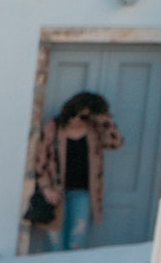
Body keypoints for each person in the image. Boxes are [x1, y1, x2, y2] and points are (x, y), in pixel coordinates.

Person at [28, 90, 124, 251]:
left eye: (84, 116)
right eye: (73, 113)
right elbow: (40, 159)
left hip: (83, 191)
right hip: (56, 191)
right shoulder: (53, 126)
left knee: (77, 240)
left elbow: (116, 142)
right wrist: (45, 187)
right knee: (55, 242)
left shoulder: (94, 129)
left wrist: (104, 119)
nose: (76, 119)